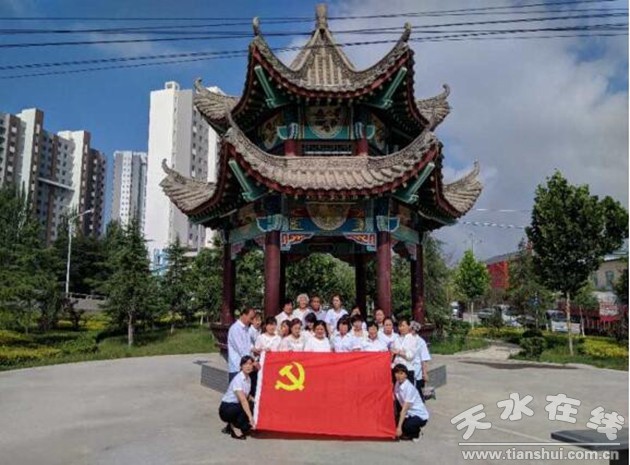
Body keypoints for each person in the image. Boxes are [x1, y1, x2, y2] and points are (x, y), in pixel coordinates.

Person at [219, 355, 256, 440]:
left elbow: (247, 395)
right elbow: (243, 400)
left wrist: (256, 401)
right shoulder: (238, 379)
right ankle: (234, 427)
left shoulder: (248, 379)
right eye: (245, 364)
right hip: (227, 408)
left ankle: (230, 427)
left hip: (236, 406)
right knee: (246, 407)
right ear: (241, 366)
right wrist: (250, 418)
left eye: (250, 364)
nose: (248, 366)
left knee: (252, 406)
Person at [393, 363, 429, 441]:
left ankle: (417, 433)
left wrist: (399, 428)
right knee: (396, 422)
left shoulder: (409, 388)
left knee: (407, 426)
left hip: (418, 415)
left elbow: (404, 410)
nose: (399, 376)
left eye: (401, 373)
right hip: (409, 414)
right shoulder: (397, 384)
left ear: (406, 375)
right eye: (397, 373)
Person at [227, 308, 255, 382]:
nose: (251, 321)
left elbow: (248, 344)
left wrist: (255, 349)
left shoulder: (246, 328)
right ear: (244, 315)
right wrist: (252, 361)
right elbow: (241, 349)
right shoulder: (235, 329)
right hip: (237, 367)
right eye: (251, 318)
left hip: (246, 366)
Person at [390, 317, 418, 384]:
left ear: (408, 326)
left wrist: (399, 352)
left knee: (407, 389)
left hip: (407, 369)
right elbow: (392, 352)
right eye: (400, 326)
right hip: (396, 369)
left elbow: (410, 356)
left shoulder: (413, 339)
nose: (401, 328)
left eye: (403, 326)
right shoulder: (396, 339)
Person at [410, 321, 431, 400]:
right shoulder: (407, 339)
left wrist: (424, 373)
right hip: (408, 371)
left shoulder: (421, 342)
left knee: (418, 395)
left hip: (417, 371)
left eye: (411, 329)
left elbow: (424, 359)